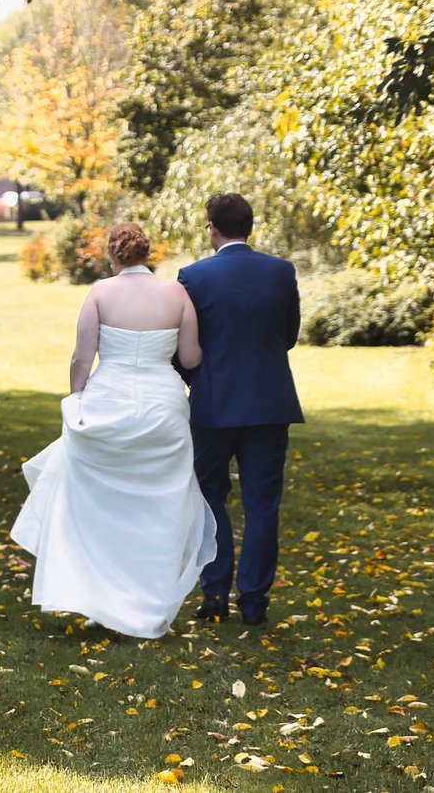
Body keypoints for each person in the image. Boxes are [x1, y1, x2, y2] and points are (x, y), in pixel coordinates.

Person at [11, 223, 217, 638]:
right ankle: (147, 603)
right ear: (146, 254)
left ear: (113, 255)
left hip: (110, 401)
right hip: (163, 407)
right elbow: (191, 356)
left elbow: (81, 358)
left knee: (103, 508)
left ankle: (103, 601)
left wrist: (76, 400)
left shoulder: (101, 292)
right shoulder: (177, 294)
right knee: (157, 508)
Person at [176, 193, 303, 627]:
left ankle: (215, 594)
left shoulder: (192, 276)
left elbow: (185, 349)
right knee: (263, 504)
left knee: (209, 498)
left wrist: (195, 379)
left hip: (213, 405)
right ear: (250, 226)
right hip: (269, 402)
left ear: (212, 227)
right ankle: (254, 602)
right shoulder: (281, 272)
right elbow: (288, 336)